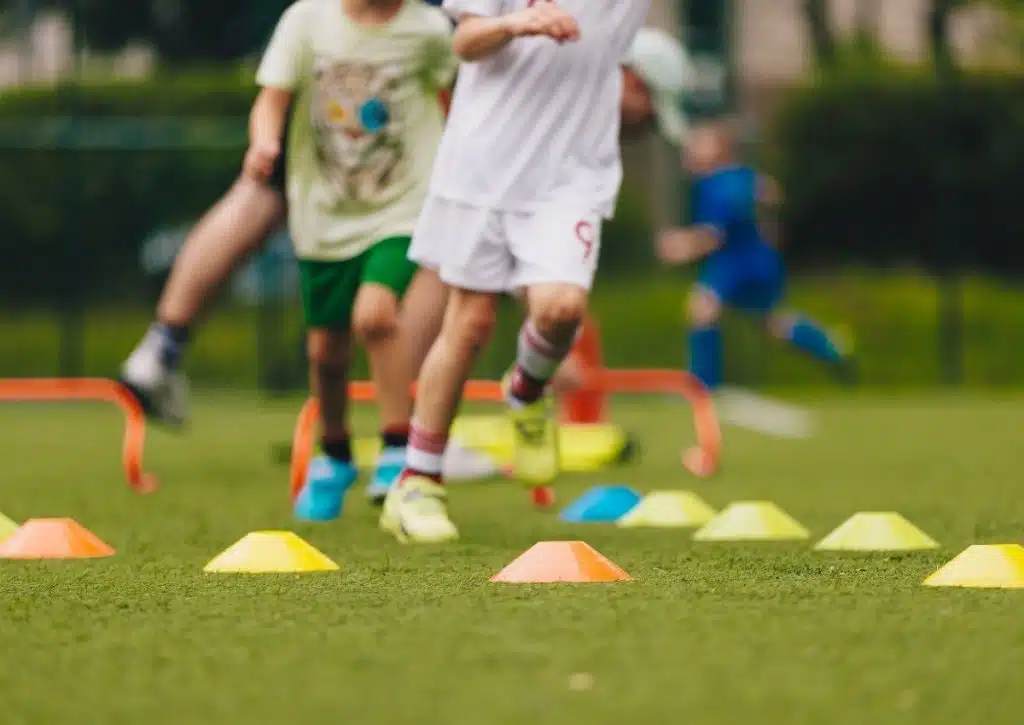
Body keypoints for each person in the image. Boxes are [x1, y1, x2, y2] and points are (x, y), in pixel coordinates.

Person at [119, 15, 690, 428]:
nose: (642, 129)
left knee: (265, 190)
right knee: (443, 254)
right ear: (632, 76)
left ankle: (161, 349)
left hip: (348, 45)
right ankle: (405, 418)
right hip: (415, 75)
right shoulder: (567, 50)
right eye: (649, 113)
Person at [379, 0, 650, 544]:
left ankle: (525, 390)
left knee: (561, 309)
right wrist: (515, 24)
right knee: (470, 322)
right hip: (482, 169)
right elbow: (465, 41)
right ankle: (417, 482)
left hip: (571, 177)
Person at [248, 0, 456, 520]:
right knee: (326, 353)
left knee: (376, 314)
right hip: (325, 214)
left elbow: (454, 100)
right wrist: (264, 141)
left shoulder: (428, 31)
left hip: (403, 206)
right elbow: (272, 99)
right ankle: (335, 454)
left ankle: (395, 448)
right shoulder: (306, 20)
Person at [655, 120, 856, 399]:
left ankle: (702, 384)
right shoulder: (741, 176)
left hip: (735, 262)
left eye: (699, 143)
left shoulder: (717, 184)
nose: (690, 149)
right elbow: (771, 193)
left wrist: (681, 246)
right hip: (760, 260)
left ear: (719, 150)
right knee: (775, 323)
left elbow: (715, 234)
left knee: (702, 309)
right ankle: (829, 346)